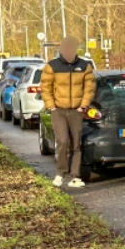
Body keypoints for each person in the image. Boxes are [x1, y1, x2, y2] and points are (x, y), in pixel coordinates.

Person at [39, 36, 96, 188]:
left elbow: (89, 88)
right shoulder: (52, 66)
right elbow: (45, 87)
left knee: (76, 144)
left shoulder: (84, 66)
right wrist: (51, 106)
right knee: (62, 141)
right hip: (59, 110)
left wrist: (83, 106)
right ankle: (60, 173)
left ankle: (74, 176)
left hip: (76, 111)